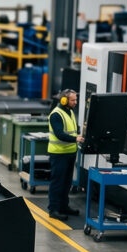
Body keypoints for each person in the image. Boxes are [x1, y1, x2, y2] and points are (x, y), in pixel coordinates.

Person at [47, 88, 84, 219]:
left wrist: (78, 136)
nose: (75, 102)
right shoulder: (56, 115)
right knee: (57, 182)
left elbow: (73, 130)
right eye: (73, 100)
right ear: (64, 100)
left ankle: (63, 206)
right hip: (59, 154)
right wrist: (76, 139)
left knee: (67, 182)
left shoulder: (70, 112)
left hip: (70, 153)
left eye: (76, 100)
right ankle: (53, 209)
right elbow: (60, 134)